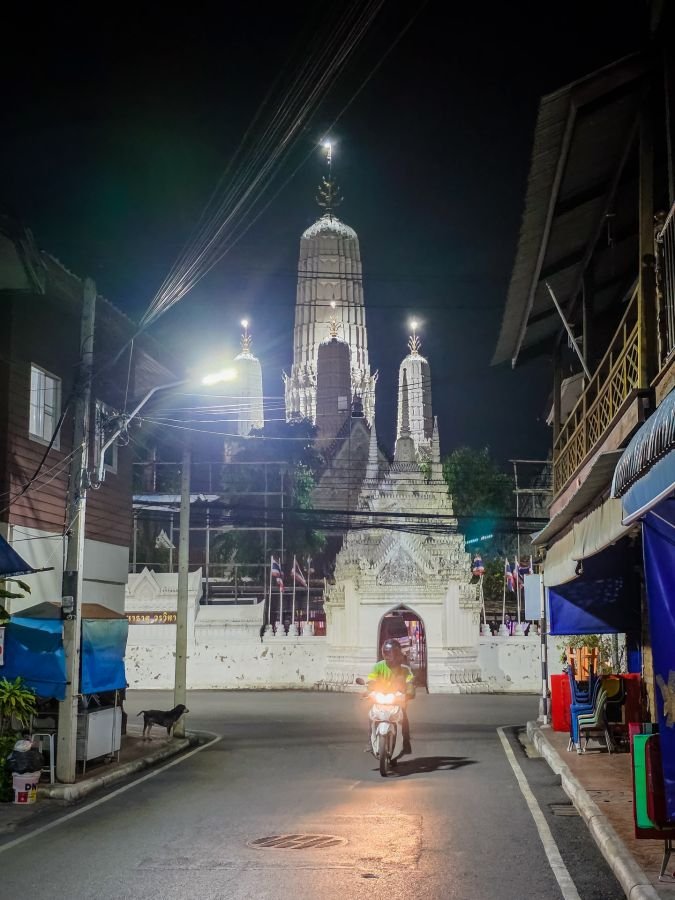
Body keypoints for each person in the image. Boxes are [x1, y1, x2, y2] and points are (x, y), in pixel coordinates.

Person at [366, 638, 415, 755]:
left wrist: (409, 692)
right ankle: (370, 740)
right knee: (372, 716)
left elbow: (410, 683)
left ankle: (406, 741)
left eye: (391, 653)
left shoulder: (405, 670)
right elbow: (371, 680)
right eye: (386, 653)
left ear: (397, 654)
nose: (388, 656)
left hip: (397, 700)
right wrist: (368, 690)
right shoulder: (378, 666)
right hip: (380, 698)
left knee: (404, 720)